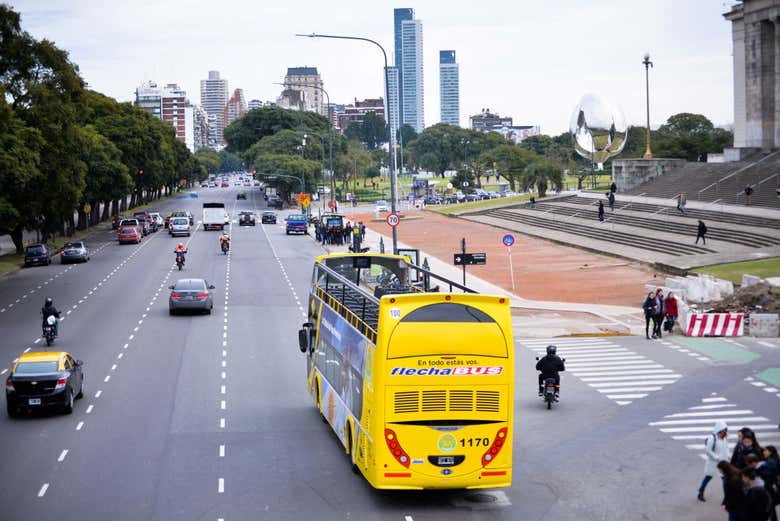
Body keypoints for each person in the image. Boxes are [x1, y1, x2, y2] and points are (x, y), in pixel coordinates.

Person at [699, 421, 730, 502]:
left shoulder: (724, 438)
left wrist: (728, 457)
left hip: (722, 463)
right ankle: (701, 492)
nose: (725, 432)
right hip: (713, 463)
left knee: (724, 479)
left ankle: (727, 497)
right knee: (708, 477)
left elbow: (726, 448)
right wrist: (716, 457)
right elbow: (708, 451)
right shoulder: (712, 439)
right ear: (719, 430)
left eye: (725, 430)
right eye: (724, 430)